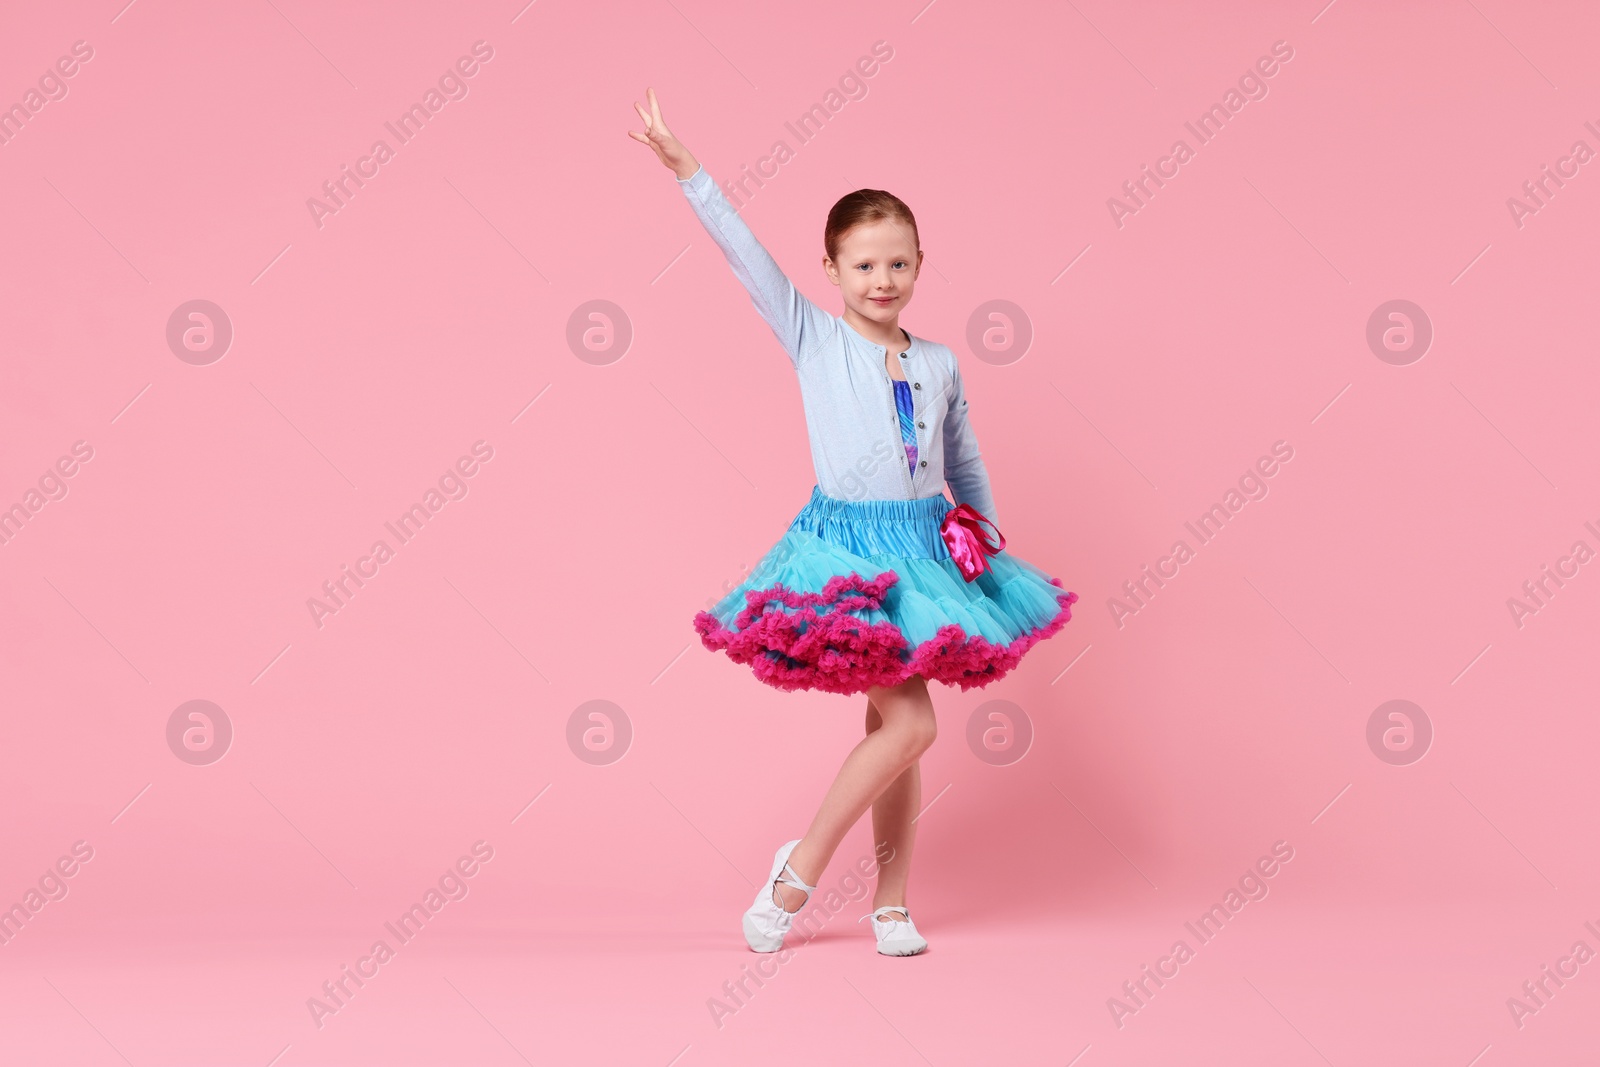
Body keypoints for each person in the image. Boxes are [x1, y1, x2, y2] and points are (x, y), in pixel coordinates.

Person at [629, 87, 1078, 957]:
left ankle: (893, 902)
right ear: (832, 272)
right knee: (913, 724)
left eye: (898, 265)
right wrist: (690, 172)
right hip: (845, 549)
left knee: (893, 733)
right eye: (864, 266)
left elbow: (964, 457)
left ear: (919, 266)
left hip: (926, 544)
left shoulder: (940, 360)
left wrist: (983, 535)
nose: (883, 281)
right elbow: (746, 257)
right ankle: (796, 871)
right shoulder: (815, 339)